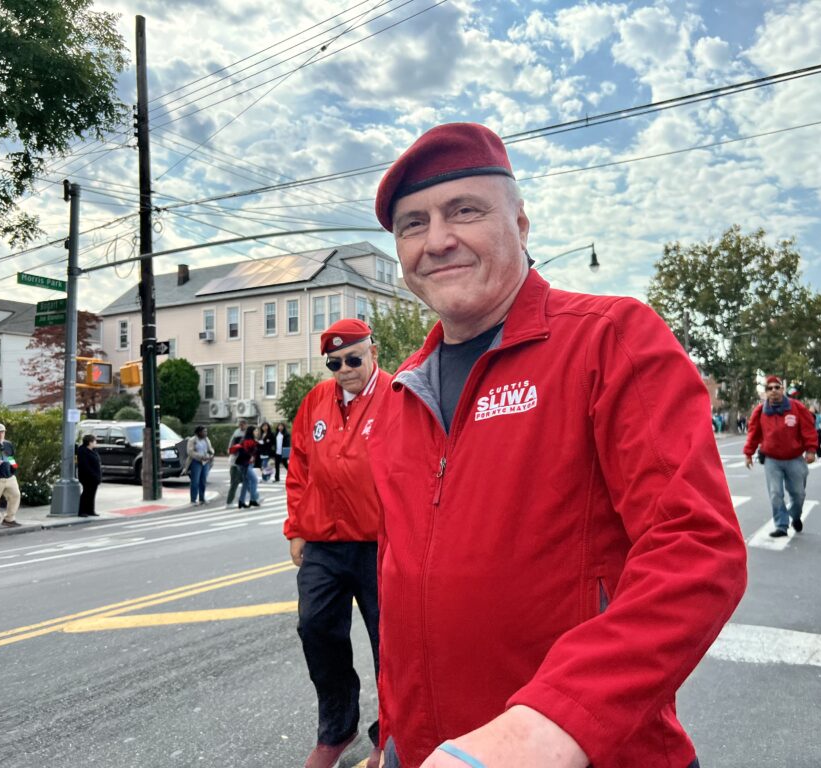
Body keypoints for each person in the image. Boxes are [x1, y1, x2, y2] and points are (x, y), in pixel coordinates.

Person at [367, 123, 747, 768]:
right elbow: (405, 595)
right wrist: (394, 739)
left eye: (465, 211)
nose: (437, 240)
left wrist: (553, 721)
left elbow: (696, 546)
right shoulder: (400, 396)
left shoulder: (611, 339)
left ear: (520, 222)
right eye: (412, 224)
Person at [285, 318, 392, 768]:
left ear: (373, 352)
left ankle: (389, 734)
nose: (345, 370)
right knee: (315, 629)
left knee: (390, 644)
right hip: (324, 543)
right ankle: (337, 728)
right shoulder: (316, 401)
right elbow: (300, 466)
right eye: (335, 363)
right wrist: (297, 527)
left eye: (353, 358)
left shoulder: (397, 395)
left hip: (380, 544)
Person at [743, 375, 818, 537]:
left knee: (798, 494)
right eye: (770, 388)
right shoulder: (760, 411)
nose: (774, 391)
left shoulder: (796, 407)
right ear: (766, 393)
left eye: (777, 387)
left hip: (795, 459)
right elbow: (753, 433)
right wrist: (748, 453)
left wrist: (811, 450)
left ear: (782, 389)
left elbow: (808, 429)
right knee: (776, 493)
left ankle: (795, 516)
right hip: (772, 460)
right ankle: (781, 525)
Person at [228, 425, 260, 509]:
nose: (257, 432)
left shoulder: (249, 440)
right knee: (254, 480)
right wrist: (251, 456)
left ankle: (241, 501)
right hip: (245, 464)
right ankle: (253, 499)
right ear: (251, 432)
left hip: (245, 464)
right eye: (255, 431)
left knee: (246, 482)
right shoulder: (247, 441)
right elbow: (245, 452)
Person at [184, 425, 215, 505]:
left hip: (206, 462)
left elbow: (210, 449)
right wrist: (200, 456)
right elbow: (190, 452)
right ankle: (193, 500)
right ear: (199, 432)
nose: (205, 433)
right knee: (195, 481)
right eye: (204, 431)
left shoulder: (206, 439)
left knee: (203, 481)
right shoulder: (192, 440)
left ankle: (202, 498)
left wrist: (211, 454)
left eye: (206, 431)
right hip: (196, 461)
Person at [76, 434, 102, 517]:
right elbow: (85, 466)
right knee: (86, 493)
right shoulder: (83, 451)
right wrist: (93, 475)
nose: (96, 442)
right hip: (87, 477)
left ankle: (90, 510)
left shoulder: (93, 450)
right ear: (89, 442)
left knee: (92, 494)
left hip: (95, 476)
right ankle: (82, 511)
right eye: (94, 441)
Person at [225, 417, 248, 507]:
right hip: (235, 462)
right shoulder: (237, 433)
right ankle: (229, 502)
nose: (241, 425)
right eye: (240, 424)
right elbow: (231, 446)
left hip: (242, 461)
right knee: (235, 482)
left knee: (247, 480)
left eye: (243, 424)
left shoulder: (246, 433)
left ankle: (254, 496)